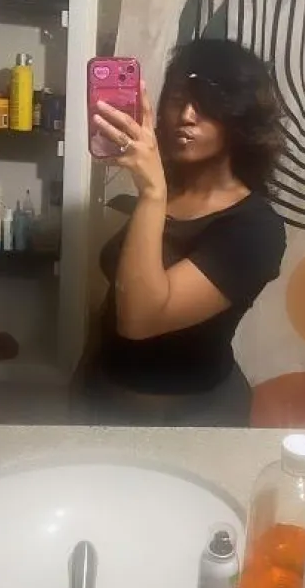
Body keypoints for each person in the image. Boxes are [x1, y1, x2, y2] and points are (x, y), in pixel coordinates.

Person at [78, 38, 286, 426]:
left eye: (207, 104)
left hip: (190, 420)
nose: (186, 116)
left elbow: (140, 319)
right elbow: (116, 298)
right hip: (103, 398)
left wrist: (151, 192)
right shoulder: (168, 192)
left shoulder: (256, 229)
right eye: (177, 99)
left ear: (240, 118)